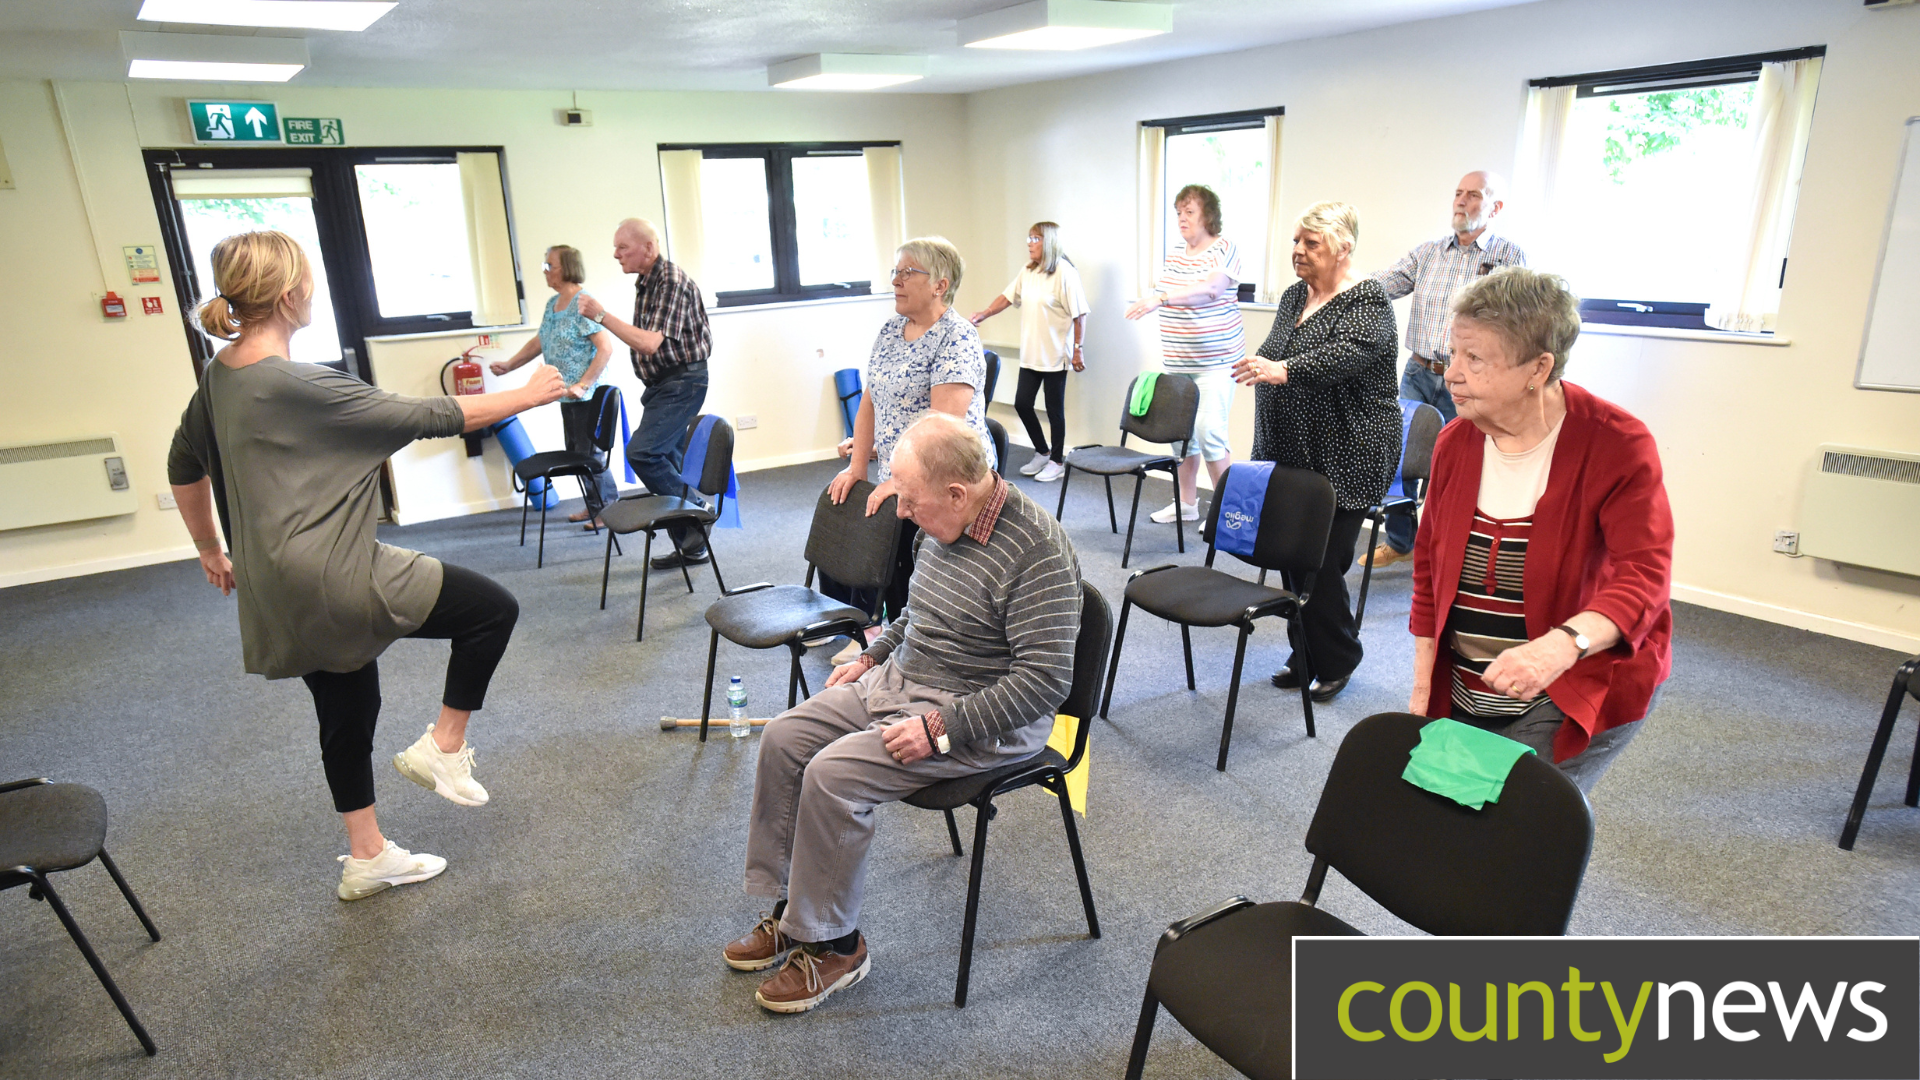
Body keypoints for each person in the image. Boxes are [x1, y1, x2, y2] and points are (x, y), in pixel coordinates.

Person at [166, 230, 566, 900]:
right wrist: (527, 395)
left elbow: (183, 465)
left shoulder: (221, 375)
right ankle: (442, 747)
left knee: (346, 703)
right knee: (491, 611)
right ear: (293, 293)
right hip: (331, 572)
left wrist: (211, 548)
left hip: (274, 584)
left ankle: (367, 855)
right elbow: (431, 413)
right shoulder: (297, 383)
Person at [728, 413, 1081, 1014]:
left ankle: (837, 946)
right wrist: (873, 655)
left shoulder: (1037, 553)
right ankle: (793, 912)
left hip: (982, 715)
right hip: (904, 680)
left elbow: (1045, 682)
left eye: (911, 500)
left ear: (956, 492)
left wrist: (941, 728)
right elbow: (917, 614)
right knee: (786, 737)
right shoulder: (937, 525)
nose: (901, 512)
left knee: (833, 776)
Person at [1408, 268, 1672, 794]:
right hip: (1470, 681)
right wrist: (1421, 686)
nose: (1451, 374)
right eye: (1453, 353)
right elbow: (1428, 569)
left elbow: (1644, 576)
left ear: (1539, 367)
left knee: (1517, 814)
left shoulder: (1616, 444)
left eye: (1474, 359)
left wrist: (1561, 646)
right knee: (1441, 804)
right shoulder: (1457, 441)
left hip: (1570, 683)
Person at [1231, 202, 1400, 703]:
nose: (1298, 251)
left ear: (1344, 248)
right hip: (1292, 450)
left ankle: (1339, 657)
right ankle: (1304, 651)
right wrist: (1263, 365)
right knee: (1293, 557)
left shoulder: (1368, 300)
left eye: (1311, 243)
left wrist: (1285, 370)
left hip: (1349, 450)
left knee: (1323, 564)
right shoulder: (1292, 295)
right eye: (1296, 241)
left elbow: (1344, 357)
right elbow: (1276, 348)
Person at [825, 236, 994, 662]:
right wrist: (858, 468)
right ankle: (887, 641)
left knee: (923, 571)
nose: (896, 281)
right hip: (902, 474)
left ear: (940, 284)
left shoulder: (957, 337)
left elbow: (941, 428)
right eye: (895, 272)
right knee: (895, 565)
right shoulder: (889, 330)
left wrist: (899, 482)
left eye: (907, 272)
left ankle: (921, 653)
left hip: (945, 480)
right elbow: (870, 400)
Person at [1369, 170, 1526, 569]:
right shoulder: (1428, 252)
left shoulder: (1508, 258)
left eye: (1473, 195)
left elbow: (1517, 322)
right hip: (1419, 372)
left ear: (1495, 207)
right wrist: (1339, 280)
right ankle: (1403, 542)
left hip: (1470, 378)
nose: (1461, 201)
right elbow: (1381, 284)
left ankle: (1451, 550)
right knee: (1399, 456)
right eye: (1458, 193)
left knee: (1462, 464)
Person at [579, 217, 713, 569]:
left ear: (649, 249)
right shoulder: (647, 280)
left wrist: (602, 315)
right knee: (668, 462)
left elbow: (650, 343)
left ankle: (697, 512)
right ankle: (692, 546)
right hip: (663, 385)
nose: (615, 254)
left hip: (682, 383)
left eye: (622, 247)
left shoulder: (670, 280)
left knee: (643, 454)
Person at [1124, 184, 1243, 524]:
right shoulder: (1176, 252)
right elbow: (1173, 291)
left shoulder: (1225, 248)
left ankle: (1226, 511)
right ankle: (1187, 505)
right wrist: (1161, 298)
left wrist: (1160, 299)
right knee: (1183, 440)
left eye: (1189, 212)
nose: (1182, 219)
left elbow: (1211, 290)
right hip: (1179, 363)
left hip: (1217, 363)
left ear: (1208, 216)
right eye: (1178, 212)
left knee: (1210, 433)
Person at [489, 244, 617, 526]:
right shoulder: (553, 304)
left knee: (590, 456)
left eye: (550, 265)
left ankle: (607, 510)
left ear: (566, 268)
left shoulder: (584, 302)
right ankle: (595, 505)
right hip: (566, 395)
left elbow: (606, 348)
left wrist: (584, 384)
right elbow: (540, 341)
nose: (545, 271)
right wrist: (510, 365)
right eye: (545, 265)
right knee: (576, 454)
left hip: (589, 396)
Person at [969, 221, 1089, 482]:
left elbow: (1080, 314)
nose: (1029, 243)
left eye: (1035, 238)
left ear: (1049, 242)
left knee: (1054, 409)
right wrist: (984, 314)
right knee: (1023, 403)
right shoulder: (1028, 271)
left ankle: (1058, 461)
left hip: (1056, 355)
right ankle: (1043, 451)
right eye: (1029, 238)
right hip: (1032, 354)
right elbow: (1007, 296)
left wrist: (1078, 349)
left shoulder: (1065, 273)